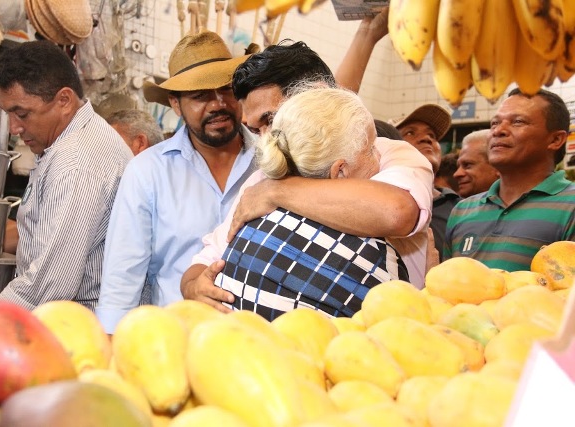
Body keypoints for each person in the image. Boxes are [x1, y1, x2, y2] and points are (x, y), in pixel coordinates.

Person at [180, 41, 434, 314]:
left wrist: (275, 193)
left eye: (271, 119)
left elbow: (396, 211)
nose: (266, 139)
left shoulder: (384, 154)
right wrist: (194, 287)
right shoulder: (262, 180)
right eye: (255, 129)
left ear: (317, 95)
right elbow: (206, 259)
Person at [95, 31, 258, 334]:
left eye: (227, 89)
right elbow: (123, 278)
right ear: (176, 104)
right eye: (200, 96)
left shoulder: (271, 163)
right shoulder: (147, 172)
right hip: (173, 344)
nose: (218, 104)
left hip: (256, 344)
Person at [216, 86, 410, 319]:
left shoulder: (246, 227)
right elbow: (400, 341)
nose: (380, 158)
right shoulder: (374, 258)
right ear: (340, 172)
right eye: (370, 149)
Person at [0, 40, 133, 310]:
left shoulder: (77, 162)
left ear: (64, 101)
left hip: (79, 328)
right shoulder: (66, 142)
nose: (14, 129)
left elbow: (49, 284)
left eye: (22, 114)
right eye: (8, 114)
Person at [445, 88, 575, 271]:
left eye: (518, 122)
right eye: (494, 123)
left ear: (555, 139)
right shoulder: (463, 210)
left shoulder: (571, 205)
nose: (499, 130)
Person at [395, 104, 461, 262]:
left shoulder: (461, 209)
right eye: (410, 132)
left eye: (432, 135)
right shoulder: (372, 202)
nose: (427, 139)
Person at [454, 129, 500, 197]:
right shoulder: (460, 207)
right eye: (458, 166)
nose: (456, 174)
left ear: (498, 166)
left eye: (467, 165)